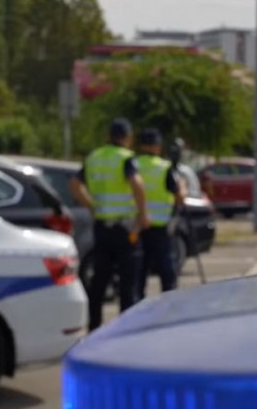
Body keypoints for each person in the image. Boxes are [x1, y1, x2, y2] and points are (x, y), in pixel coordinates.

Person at [69, 118, 150, 331]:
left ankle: (94, 327)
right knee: (127, 283)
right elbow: (137, 184)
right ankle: (126, 331)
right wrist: (143, 215)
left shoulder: (94, 157)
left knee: (99, 280)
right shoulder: (125, 158)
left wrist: (91, 206)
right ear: (127, 137)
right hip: (124, 229)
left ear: (108, 136)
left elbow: (75, 184)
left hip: (102, 228)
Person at [135, 128, 186, 301]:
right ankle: (168, 306)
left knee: (139, 273)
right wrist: (182, 185)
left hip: (137, 226)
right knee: (167, 273)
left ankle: (138, 306)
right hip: (160, 228)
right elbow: (179, 197)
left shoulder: (133, 165)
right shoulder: (164, 168)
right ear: (158, 146)